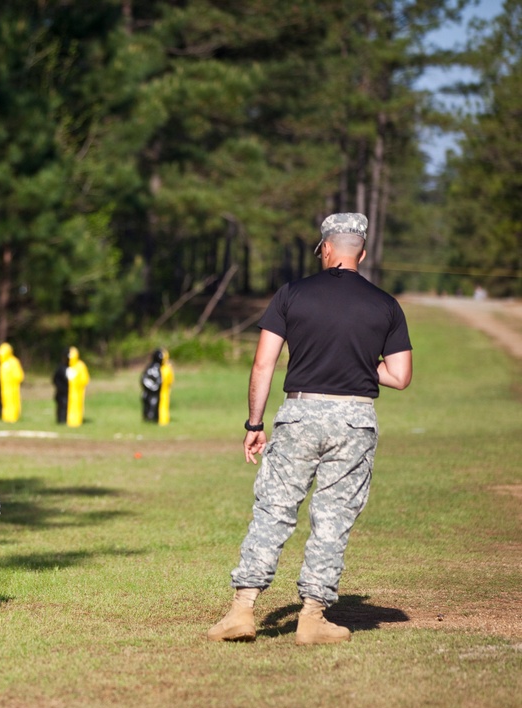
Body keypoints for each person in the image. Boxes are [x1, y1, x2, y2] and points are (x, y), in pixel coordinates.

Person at [207, 213, 412, 646]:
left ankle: (242, 610)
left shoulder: (291, 294)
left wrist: (255, 423)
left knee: (274, 510)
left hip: (298, 414)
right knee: (332, 519)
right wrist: (357, 363)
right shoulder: (385, 304)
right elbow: (400, 375)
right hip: (354, 419)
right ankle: (313, 617)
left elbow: (263, 363)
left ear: (325, 248)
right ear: (363, 252)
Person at [52, 346, 90, 426]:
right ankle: (62, 421)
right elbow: (56, 379)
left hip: (75, 392)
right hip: (63, 392)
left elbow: (84, 379)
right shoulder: (62, 367)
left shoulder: (80, 366)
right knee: (62, 406)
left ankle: (74, 421)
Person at [0, 342, 24, 423]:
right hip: (4, 388)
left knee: (13, 402)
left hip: (12, 388)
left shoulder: (14, 362)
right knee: (5, 402)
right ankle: (6, 417)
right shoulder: (2, 364)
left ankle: (13, 417)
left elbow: (19, 375)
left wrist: (14, 383)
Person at [140, 349, 163, 422]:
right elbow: (144, 379)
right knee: (151, 408)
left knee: (154, 408)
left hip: (153, 394)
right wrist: (154, 387)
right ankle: (149, 420)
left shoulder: (155, 367)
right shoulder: (153, 368)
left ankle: (153, 420)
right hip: (151, 394)